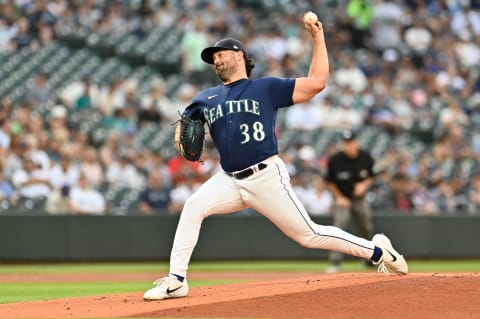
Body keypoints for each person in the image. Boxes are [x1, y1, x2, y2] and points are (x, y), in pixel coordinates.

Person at [143, 12, 408, 301]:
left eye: (220, 54)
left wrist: (317, 36)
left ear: (240, 56)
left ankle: (379, 251)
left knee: (309, 235)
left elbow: (317, 82)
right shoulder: (206, 98)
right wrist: (183, 135)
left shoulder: (265, 88)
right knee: (193, 206)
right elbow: (185, 127)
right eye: (212, 58)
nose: (215, 60)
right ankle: (177, 280)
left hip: (265, 176)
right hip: (228, 179)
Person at [324, 130, 376, 273]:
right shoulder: (335, 160)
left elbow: (371, 176)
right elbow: (329, 182)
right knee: (339, 226)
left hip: (359, 199)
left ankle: (369, 258)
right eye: (346, 143)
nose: (349, 145)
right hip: (342, 198)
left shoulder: (365, 157)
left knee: (366, 227)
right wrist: (339, 197)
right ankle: (335, 262)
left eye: (351, 142)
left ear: (356, 142)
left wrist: (364, 185)